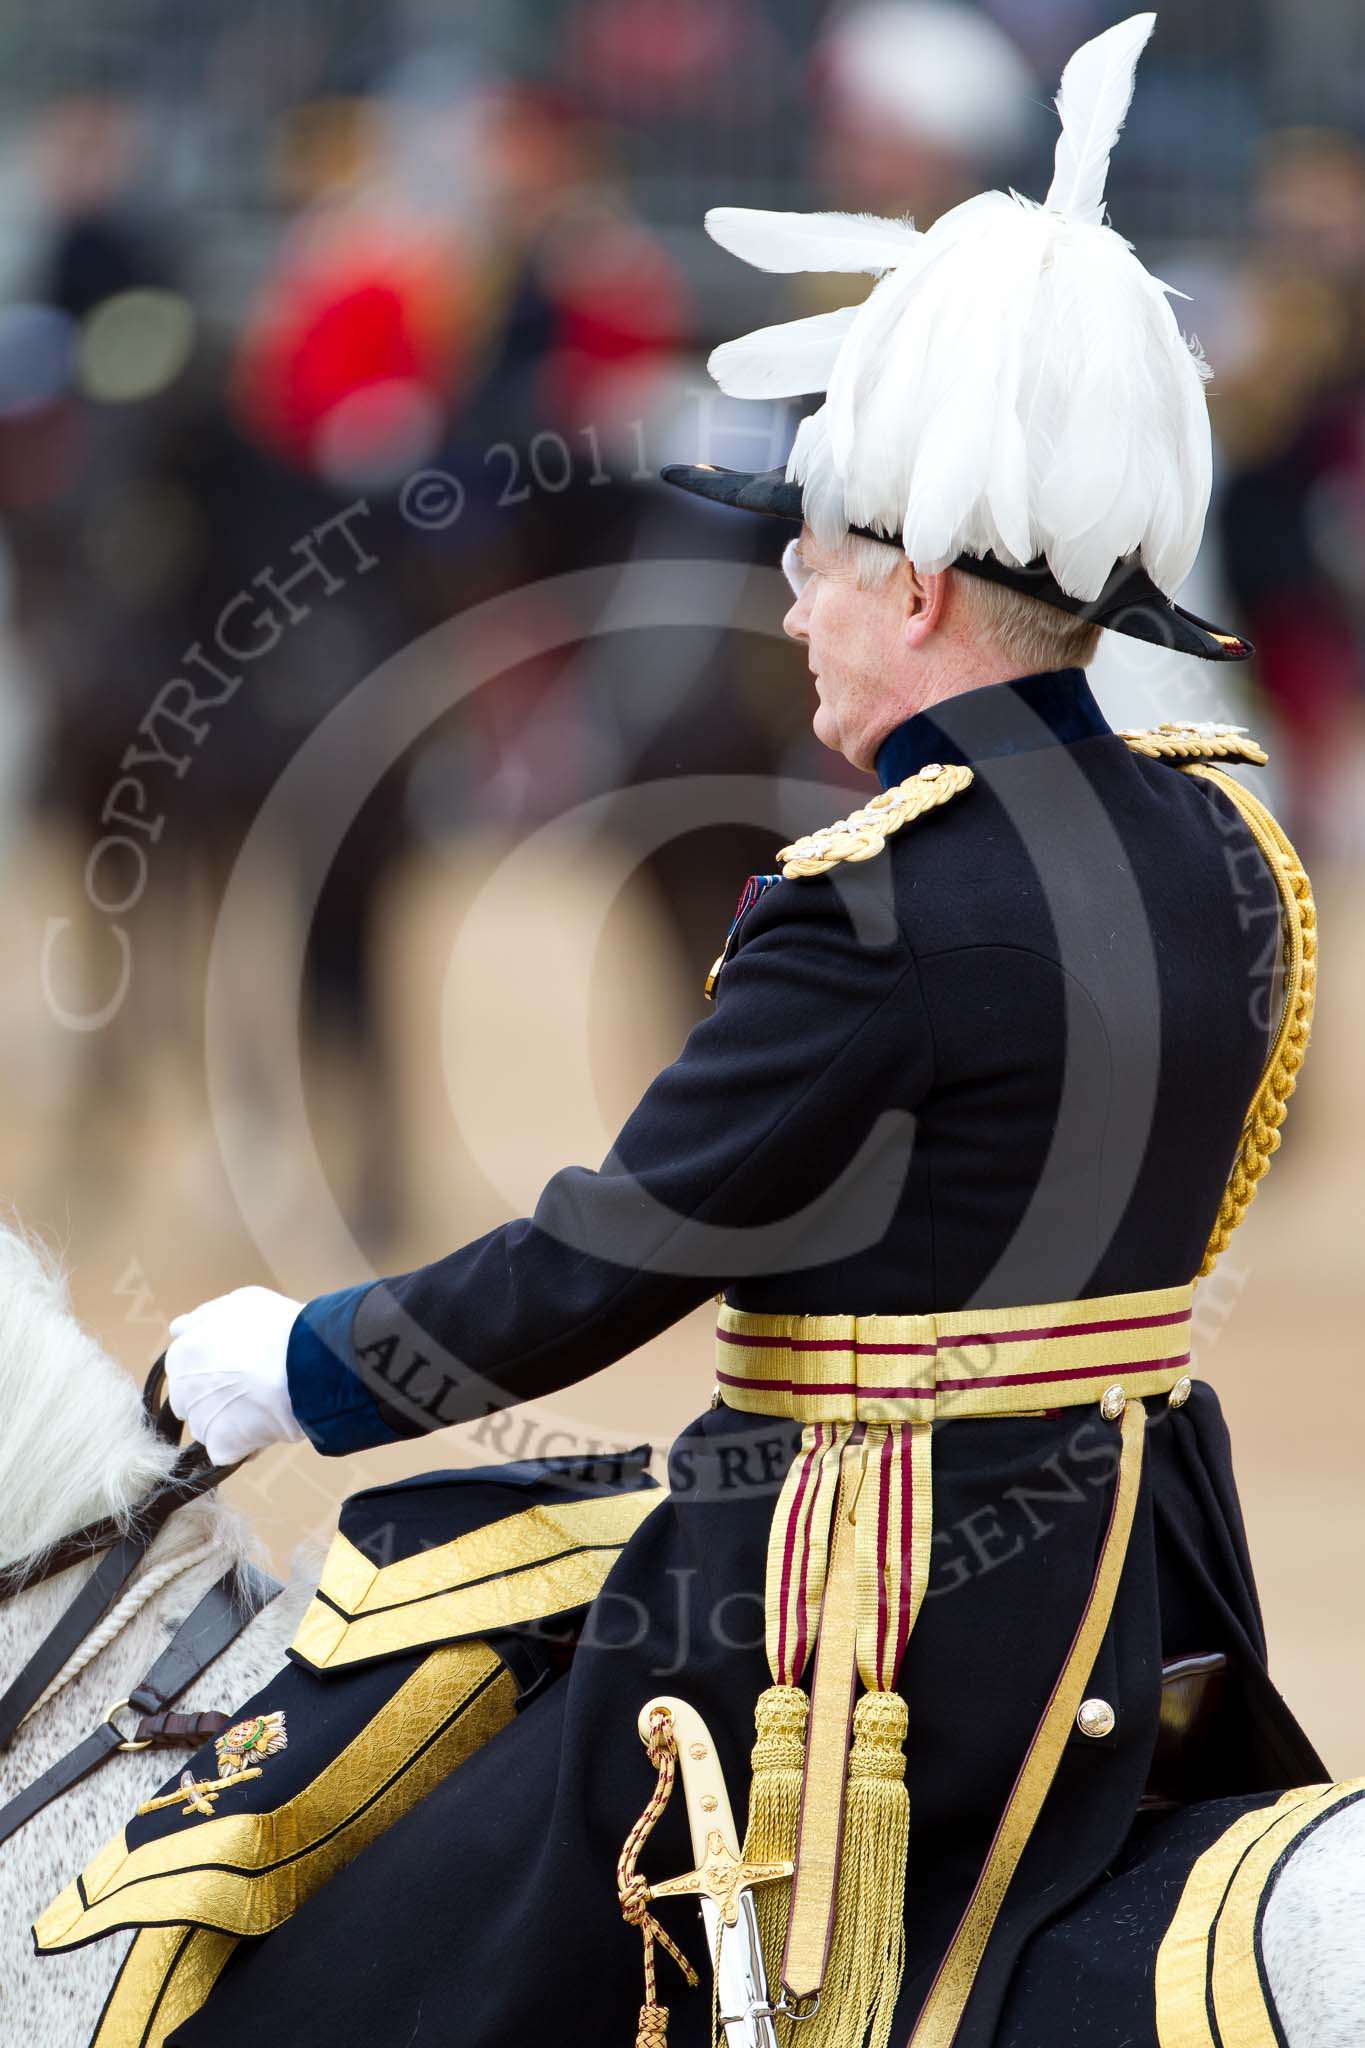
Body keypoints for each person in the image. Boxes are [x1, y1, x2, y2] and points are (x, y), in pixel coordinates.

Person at [35, 18, 1330, 2048]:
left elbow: (594, 1267)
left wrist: (285, 1361)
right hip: (1141, 1565)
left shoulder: (875, 903)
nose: (789, 607)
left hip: (857, 1632)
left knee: (370, 1961)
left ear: (913, 587)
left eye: (814, 565)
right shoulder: (1226, 838)